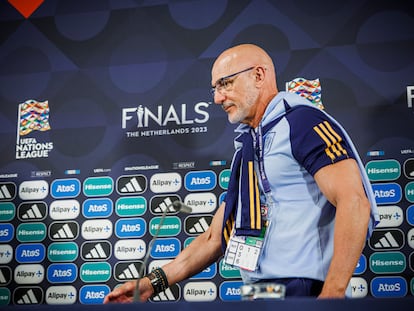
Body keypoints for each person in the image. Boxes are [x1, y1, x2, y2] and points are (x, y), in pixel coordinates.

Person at [103, 44, 379, 303]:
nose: (217, 98)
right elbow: (215, 237)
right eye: (214, 88)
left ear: (258, 75)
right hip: (258, 290)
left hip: (305, 288)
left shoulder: (303, 122)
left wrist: (332, 293)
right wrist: (152, 284)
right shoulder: (248, 144)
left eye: (225, 83)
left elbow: (354, 202)